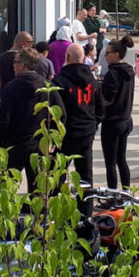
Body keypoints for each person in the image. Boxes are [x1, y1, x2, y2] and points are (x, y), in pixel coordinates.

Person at [0, 47, 64, 193]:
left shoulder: (11, 87)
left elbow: (3, 119)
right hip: (40, 144)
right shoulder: (48, 87)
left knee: (7, 187)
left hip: (16, 144)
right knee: (38, 191)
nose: (13, 65)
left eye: (15, 61)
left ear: (23, 65)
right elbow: (60, 115)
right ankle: (38, 215)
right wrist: (52, 141)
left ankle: (9, 214)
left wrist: (2, 143)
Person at [54, 44, 104, 186]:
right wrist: (92, 125)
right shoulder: (92, 81)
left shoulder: (59, 82)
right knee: (85, 176)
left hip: (66, 134)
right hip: (86, 132)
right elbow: (100, 110)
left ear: (67, 57)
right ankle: (85, 207)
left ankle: (55, 204)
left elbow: (54, 110)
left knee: (58, 174)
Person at [100, 38, 135, 189]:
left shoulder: (112, 74)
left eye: (107, 53)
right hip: (126, 119)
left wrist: (96, 100)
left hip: (112, 121)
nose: (105, 56)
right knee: (122, 159)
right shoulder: (129, 71)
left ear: (117, 54)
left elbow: (108, 100)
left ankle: (113, 195)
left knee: (110, 163)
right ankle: (126, 191)